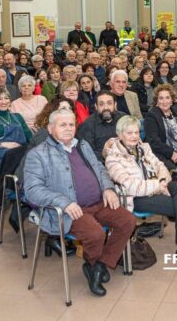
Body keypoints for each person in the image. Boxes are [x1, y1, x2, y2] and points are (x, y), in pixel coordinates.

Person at [24, 109, 136, 297]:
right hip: (69, 210)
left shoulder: (82, 145)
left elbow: (100, 169)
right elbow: (32, 190)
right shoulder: (38, 154)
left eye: (71, 124)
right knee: (96, 234)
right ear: (50, 128)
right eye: (63, 125)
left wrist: (108, 188)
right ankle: (95, 266)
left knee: (128, 221)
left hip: (98, 203)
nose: (69, 129)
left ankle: (98, 266)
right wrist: (64, 202)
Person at [105, 115, 177, 265]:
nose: (134, 136)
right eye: (129, 133)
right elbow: (129, 185)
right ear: (119, 135)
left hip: (157, 185)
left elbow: (160, 165)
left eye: (136, 132)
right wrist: (158, 186)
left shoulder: (144, 147)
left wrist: (163, 180)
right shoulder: (113, 158)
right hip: (136, 197)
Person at [0, 89, 32, 213]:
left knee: (25, 153)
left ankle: (5, 191)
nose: (3, 102)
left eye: (6, 98)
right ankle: (10, 190)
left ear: (10, 101)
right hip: (2, 153)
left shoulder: (17, 117)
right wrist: (4, 144)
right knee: (14, 154)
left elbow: (29, 137)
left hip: (21, 151)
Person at [143, 85, 177, 198]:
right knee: (173, 174)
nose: (164, 101)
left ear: (172, 100)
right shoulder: (152, 115)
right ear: (156, 101)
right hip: (160, 153)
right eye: (161, 98)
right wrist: (171, 153)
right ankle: (174, 201)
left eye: (167, 98)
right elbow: (154, 142)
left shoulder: (176, 111)